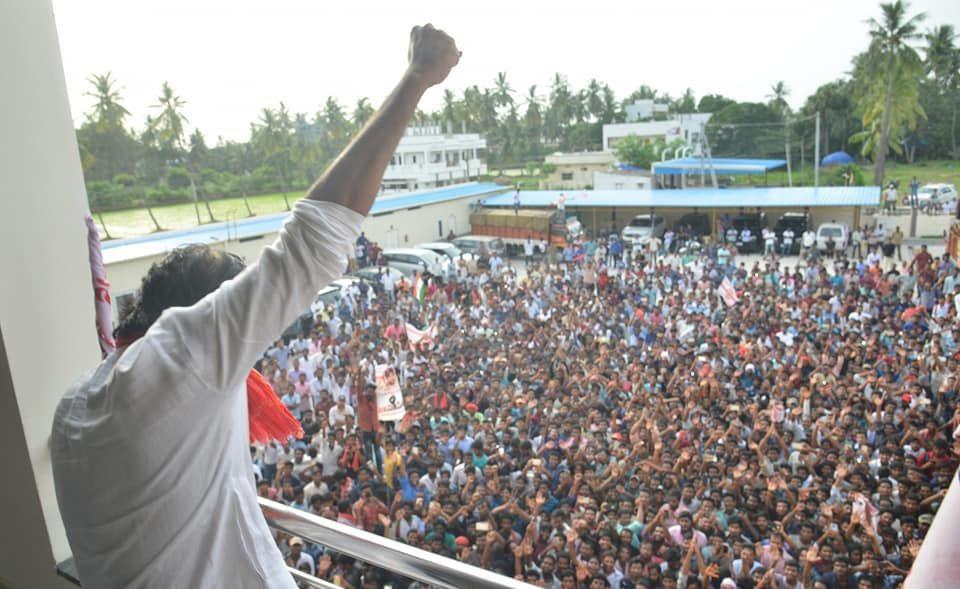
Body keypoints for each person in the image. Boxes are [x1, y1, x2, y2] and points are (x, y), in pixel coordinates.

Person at [50, 24, 461, 588]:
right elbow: (309, 246)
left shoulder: (74, 405)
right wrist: (417, 79)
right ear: (197, 318)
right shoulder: (178, 363)